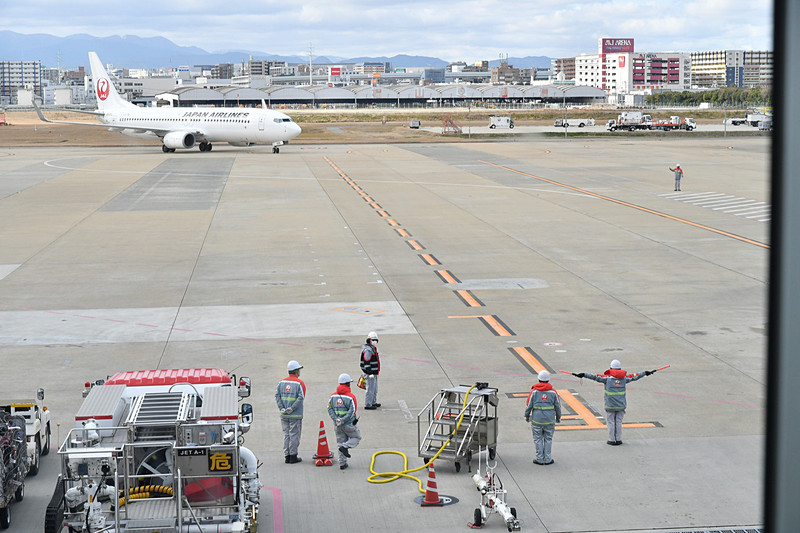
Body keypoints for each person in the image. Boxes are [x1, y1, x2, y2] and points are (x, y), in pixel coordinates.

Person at [574, 359, 654, 445]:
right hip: (621, 405)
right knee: (618, 422)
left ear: (610, 368)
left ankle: (611, 440)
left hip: (610, 405)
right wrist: (645, 373)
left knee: (611, 422)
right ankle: (618, 439)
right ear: (620, 369)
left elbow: (595, 376)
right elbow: (635, 376)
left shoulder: (607, 379)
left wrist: (583, 374)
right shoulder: (624, 378)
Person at [524, 370, 562, 465]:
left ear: (539, 379)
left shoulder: (534, 392)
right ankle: (548, 459)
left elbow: (529, 405)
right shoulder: (553, 392)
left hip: (537, 420)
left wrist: (527, 416)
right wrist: (558, 417)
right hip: (549, 420)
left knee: (538, 439)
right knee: (548, 439)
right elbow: (558, 406)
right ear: (548, 380)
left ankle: (540, 459)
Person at [328, 373, 361, 470]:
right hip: (348, 424)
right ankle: (345, 447)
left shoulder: (332, 397)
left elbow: (329, 409)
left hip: (337, 425)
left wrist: (336, 419)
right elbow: (352, 411)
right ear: (348, 384)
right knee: (357, 437)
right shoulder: (351, 397)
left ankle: (342, 464)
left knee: (340, 441)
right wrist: (343, 420)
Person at [275, 360, 306, 464]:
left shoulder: (281, 383)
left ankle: (287, 455)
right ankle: (293, 456)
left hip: (283, 414)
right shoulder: (299, 383)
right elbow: (301, 397)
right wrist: (292, 408)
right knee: (294, 434)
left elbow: (277, 396)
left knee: (286, 435)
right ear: (296, 371)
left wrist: (281, 408)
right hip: (295, 414)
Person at [360, 331, 381, 410]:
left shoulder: (373, 348)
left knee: (374, 389)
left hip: (374, 373)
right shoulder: (368, 350)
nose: (375, 341)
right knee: (370, 389)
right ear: (369, 340)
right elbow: (366, 362)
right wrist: (369, 373)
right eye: (373, 340)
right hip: (370, 373)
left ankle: (373, 402)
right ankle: (368, 404)